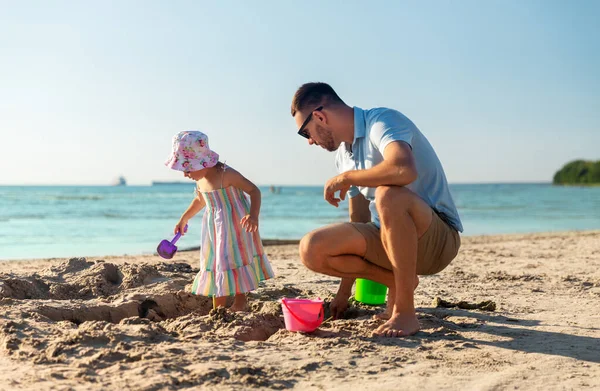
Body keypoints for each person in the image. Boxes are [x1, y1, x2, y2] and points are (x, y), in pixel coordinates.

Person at [291, 82, 463, 337]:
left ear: (319, 116)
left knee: (388, 195)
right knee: (311, 248)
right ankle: (397, 282)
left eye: (306, 133)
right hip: (389, 240)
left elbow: (403, 169)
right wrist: (343, 293)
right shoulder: (343, 155)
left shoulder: (381, 121)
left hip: (437, 239)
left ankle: (405, 313)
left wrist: (350, 177)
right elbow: (358, 220)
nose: (310, 142)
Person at [165, 130, 275, 311]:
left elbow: (254, 191)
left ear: (202, 162)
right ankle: (223, 307)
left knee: (234, 260)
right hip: (214, 227)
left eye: (187, 168)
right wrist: (184, 218)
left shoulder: (227, 174)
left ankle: (234, 304)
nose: (185, 174)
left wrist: (253, 215)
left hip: (236, 223)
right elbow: (200, 200)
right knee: (217, 262)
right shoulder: (200, 178)